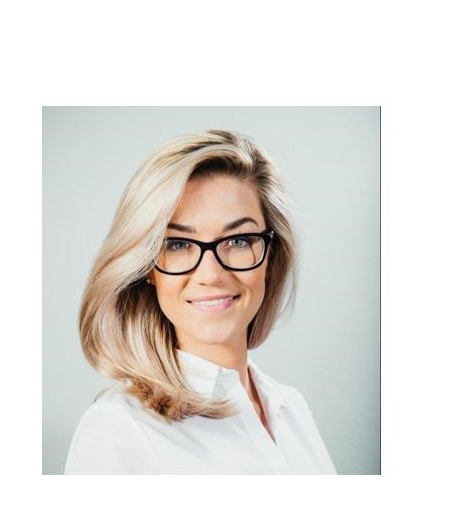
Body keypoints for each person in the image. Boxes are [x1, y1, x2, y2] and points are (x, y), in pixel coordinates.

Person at [64, 129, 337, 474]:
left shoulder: (291, 409)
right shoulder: (118, 429)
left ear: (271, 256)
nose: (211, 274)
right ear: (147, 267)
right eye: (178, 244)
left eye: (238, 240)